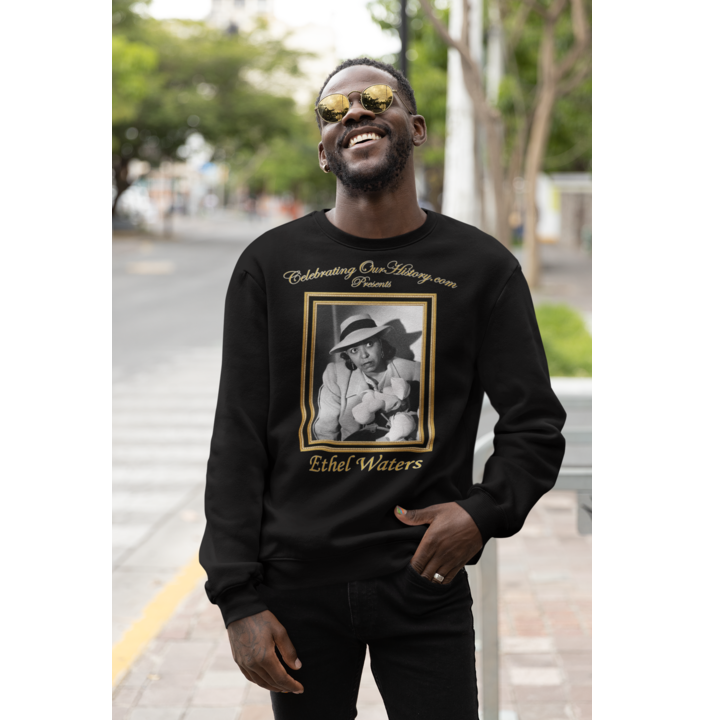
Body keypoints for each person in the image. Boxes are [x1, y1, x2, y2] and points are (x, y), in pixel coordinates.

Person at [200, 58, 567, 720]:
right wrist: (237, 598)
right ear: (323, 151)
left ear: (415, 127)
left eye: (375, 98)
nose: (354, 113)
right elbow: (238, 440)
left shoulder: (481, 268)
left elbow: (535, 424)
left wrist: (482, 513)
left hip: (424, 579)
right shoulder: (270, 266)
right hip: (297, 584)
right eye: (333, 110)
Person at [313, 313, 421, 442]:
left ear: (380, 343)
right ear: (347, 355)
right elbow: (325, 431)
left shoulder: (414, 371)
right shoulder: (335, 375)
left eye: (369, 344)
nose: (364, 355)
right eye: (354, 350)